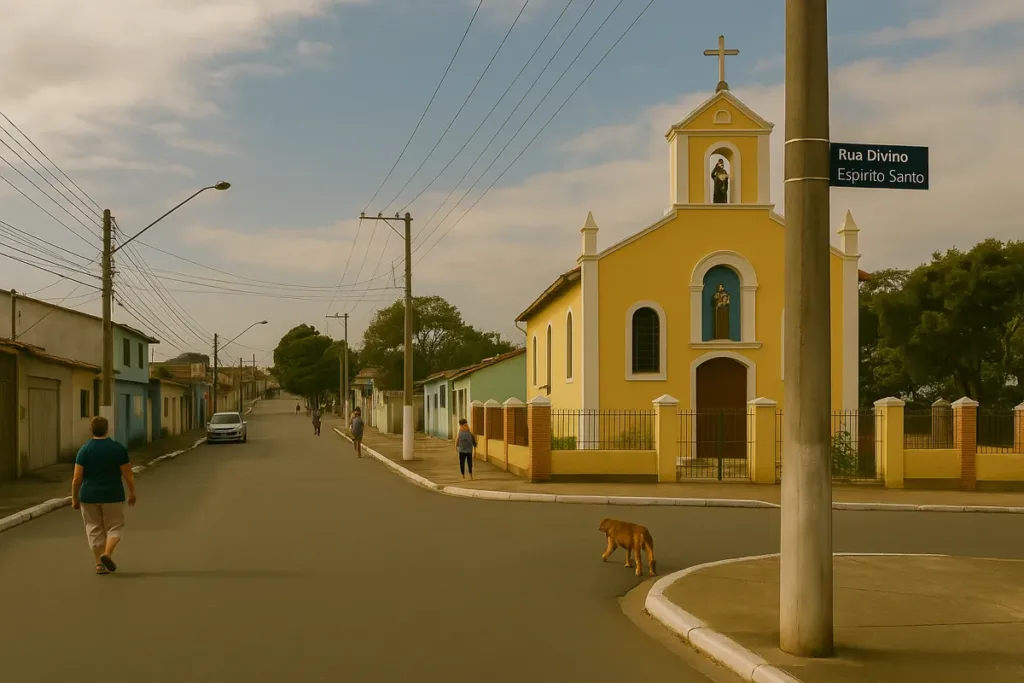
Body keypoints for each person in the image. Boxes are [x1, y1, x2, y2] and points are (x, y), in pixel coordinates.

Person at [71, 416, 136, 575]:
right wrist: (132, 492)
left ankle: (99, 564)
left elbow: (77, 478)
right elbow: (128, 475)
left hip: (89, 496)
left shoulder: (84, 450)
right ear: (108, 429)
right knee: (115, 526)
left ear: (91, 430)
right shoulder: (118, 448)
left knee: (94, 529)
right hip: (113, 495)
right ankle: (107, 553)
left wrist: (75, 498)